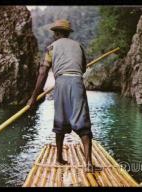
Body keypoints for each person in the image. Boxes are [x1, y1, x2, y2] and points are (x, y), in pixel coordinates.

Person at [27, 19, 102, 173]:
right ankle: (88, 163)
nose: (54, 35)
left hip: (61, 83)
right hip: (76, 83)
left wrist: (34, 97)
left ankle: (59, 158)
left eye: (55, 33)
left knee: (60, 120)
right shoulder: (79, 46)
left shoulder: (51, 48)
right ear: (68, 33)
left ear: (58, 33)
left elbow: (42, 72)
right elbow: (82, 68)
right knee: (83, 123)